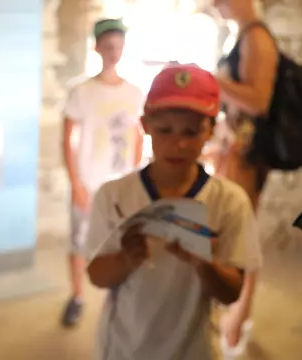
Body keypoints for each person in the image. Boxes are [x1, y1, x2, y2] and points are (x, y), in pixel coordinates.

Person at [86, 63, 263, 360]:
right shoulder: (114, 195)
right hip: (123, 348)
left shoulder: (229, 202)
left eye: (191, 132)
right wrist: (126, 258)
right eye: (164, 130)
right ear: (146, 126)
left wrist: (205, 262)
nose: (177, 144)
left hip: (193, 349)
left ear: (210, 130)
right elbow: (97, 276)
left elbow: (232, 293)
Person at [61, 18, 144, 327]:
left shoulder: (134, 92)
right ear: (97, 48)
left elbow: (137, 135)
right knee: (79, 241)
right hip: (89, 179)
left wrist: (135, 175)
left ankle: (120, 297)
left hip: (120, 181)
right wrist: (76, 182)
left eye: (119, 47)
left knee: (123, 240)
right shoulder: (82, 91)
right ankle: (78, 296)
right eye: (108, 46)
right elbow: (67, 138)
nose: (114, 53)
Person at [212, 0, 279, 350]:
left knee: (242, 236)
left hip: (248, 158)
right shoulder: (246, 35)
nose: (215, 4)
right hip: (237, 153)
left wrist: (213, 81)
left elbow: (258, 101)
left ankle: (238, 320)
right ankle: (236, 315)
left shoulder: (256, 37)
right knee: (232, 232)